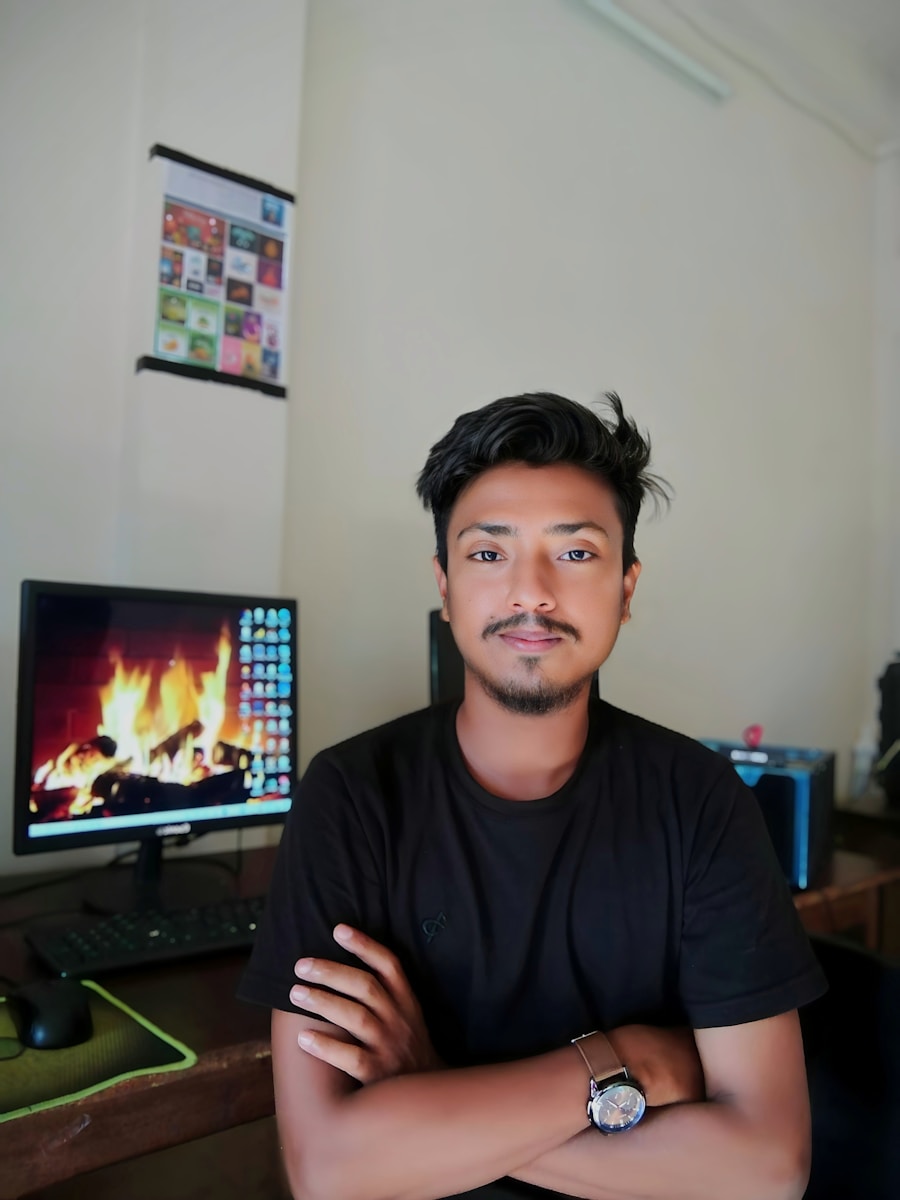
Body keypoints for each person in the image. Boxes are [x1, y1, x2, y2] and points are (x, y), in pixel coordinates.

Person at [239, 392, 826, 1200]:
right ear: (444, 586)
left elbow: (766, 1168)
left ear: (627, 588)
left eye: (576, 554)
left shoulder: (700, 799)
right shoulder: (351, 795)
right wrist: (629, 1061)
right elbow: (329, 1170)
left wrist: (435, 1085)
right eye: (488, 555)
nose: (532, 592)